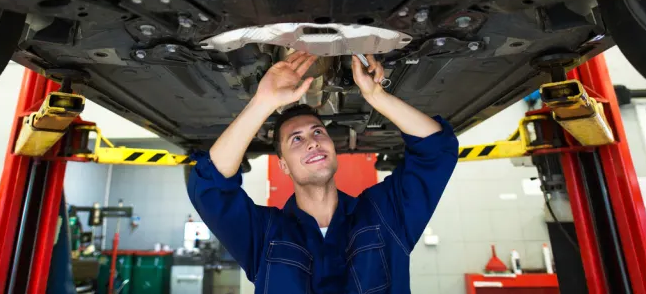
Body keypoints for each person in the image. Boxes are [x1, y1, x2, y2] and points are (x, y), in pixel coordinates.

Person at [187, 50, 459, 293]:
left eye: (318, 132)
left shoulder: (385, 215)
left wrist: (377, 96)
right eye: (296, 139)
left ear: (332, 147)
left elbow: (438, 150)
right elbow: (210, 190)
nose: (312, 142)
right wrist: (262, 103)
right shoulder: (264, 235)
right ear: (283, 165)